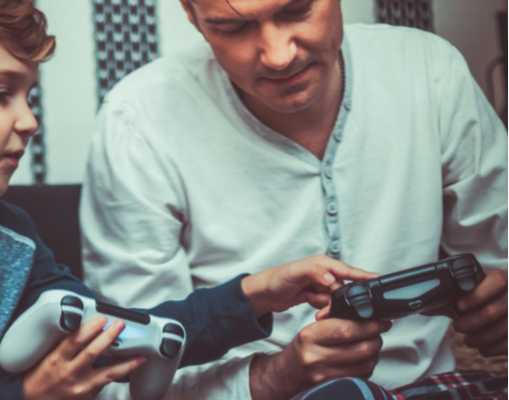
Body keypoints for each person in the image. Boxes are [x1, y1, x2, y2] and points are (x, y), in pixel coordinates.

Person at [0, 0, 377, 399]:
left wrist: (253, 295)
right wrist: (29, 395)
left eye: (29, 96)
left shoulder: (10, 236)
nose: (29, 120)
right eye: (3, 93)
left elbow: (120, 334)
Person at [79, 0, 508, 399]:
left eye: (298, 9)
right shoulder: (136, 123)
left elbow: (501, 257)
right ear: (192, 16)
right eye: (233, 27)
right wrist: (273, 376)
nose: (279, 55)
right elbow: (124, 375)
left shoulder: (428, 71)